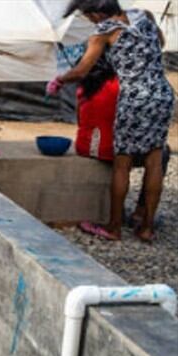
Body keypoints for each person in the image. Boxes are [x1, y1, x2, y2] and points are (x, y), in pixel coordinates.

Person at [50, 0, 175, 242]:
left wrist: (60, 81)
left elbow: (82, 70)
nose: (91, 22)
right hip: (162, 93)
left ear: (97, 13)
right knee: (154, 161)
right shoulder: (145, 16)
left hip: (134, 98)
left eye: (89, 17)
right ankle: (147, 227)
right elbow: (160, 43)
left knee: (122, 164)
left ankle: (113, 228)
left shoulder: (103, 32)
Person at [74, 55, 170, 228]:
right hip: (110, 150)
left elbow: (80, 119)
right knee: (160, 154)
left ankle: (118, 223)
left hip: (85, 146)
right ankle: (140, 214)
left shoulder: (83, 88)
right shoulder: (123, 87)